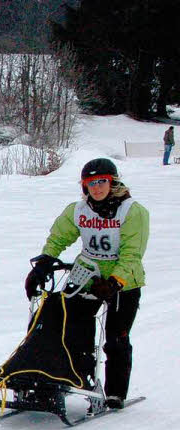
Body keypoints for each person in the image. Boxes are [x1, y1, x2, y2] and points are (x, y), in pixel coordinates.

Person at [24, 158, 149, 408]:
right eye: (90, 183)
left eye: (102, 181)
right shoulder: (78, 211)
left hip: (124, 282)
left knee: (116, 339)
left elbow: (132, 253)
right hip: (86, 276)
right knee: (60, 326)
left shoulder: (133, 211)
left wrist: (115, 281)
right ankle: (64, 378)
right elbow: (58, 238)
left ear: (112, 182)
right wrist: (44, 263)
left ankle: (115, 393)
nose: (97, 187)